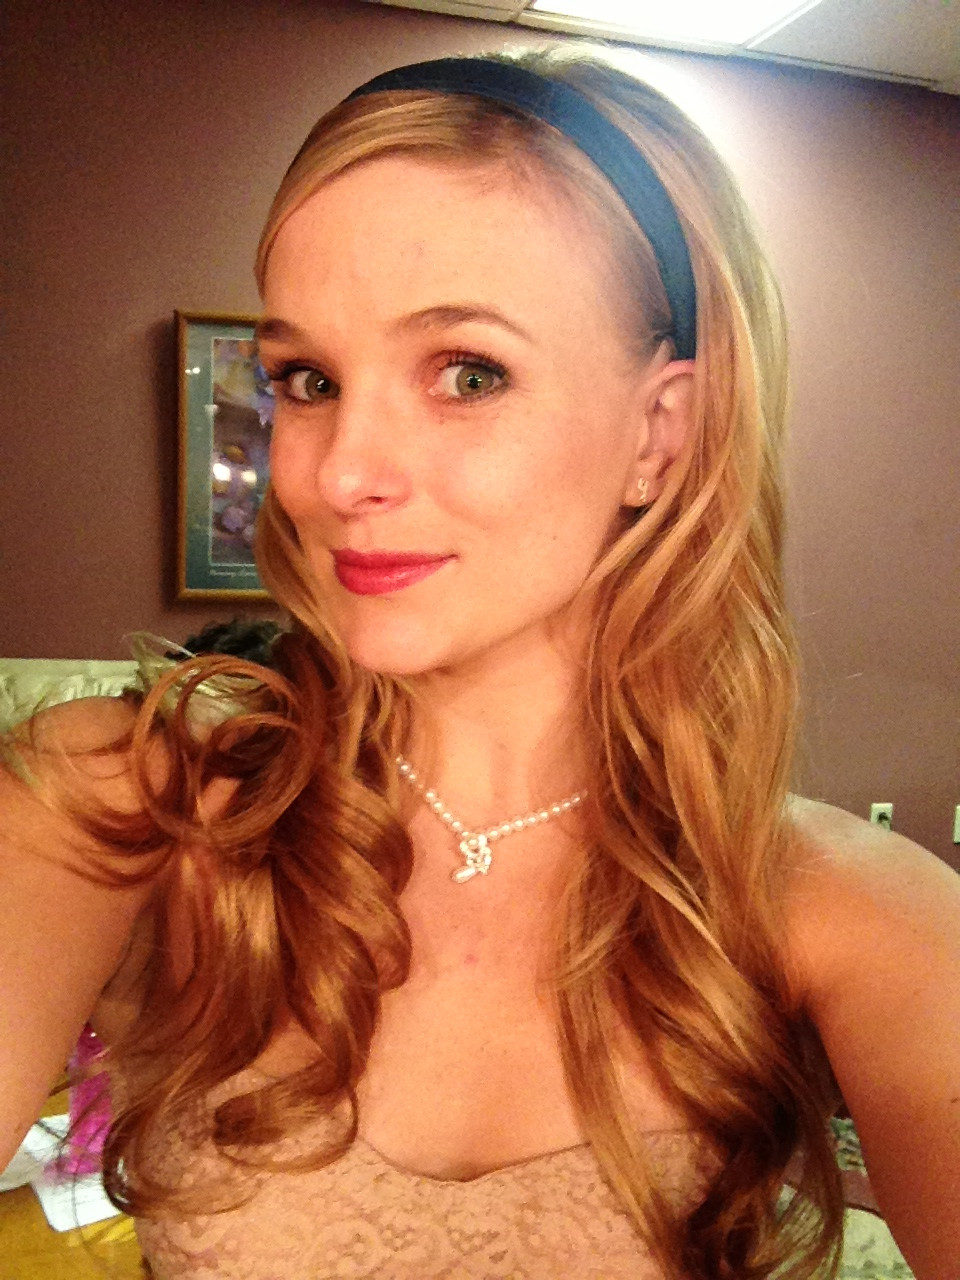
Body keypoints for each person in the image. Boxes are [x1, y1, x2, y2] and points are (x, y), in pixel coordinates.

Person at [1, 46, 958, 1280]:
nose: (340, 471)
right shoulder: (120, 800)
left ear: (659, 433)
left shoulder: (847, 915)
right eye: (308, 379)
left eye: (467, 373)